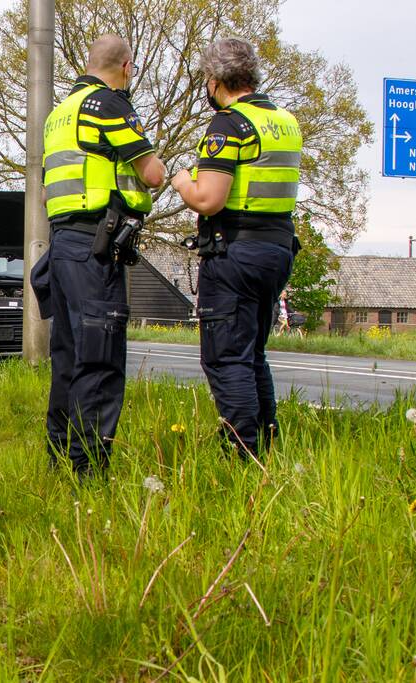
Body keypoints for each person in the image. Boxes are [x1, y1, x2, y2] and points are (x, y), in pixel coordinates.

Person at [31, 34, 166, 478]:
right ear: (127, 67)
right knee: (101, 359)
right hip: (96, 248)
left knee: (68, 358)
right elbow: (154, 174)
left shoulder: (59, 115)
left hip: (65, 246)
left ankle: (59, 461)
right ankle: (89, 472)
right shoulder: (109, 105)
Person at [170, 37, 302, 457]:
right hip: (276, 248)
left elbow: (209, 198)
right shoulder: (284, 120)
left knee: (226, 358)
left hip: (235, 252)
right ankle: (265, 440)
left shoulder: (230, 124)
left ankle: (242, 452)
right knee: (251, 354)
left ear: (214, 80)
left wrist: (181, 182)